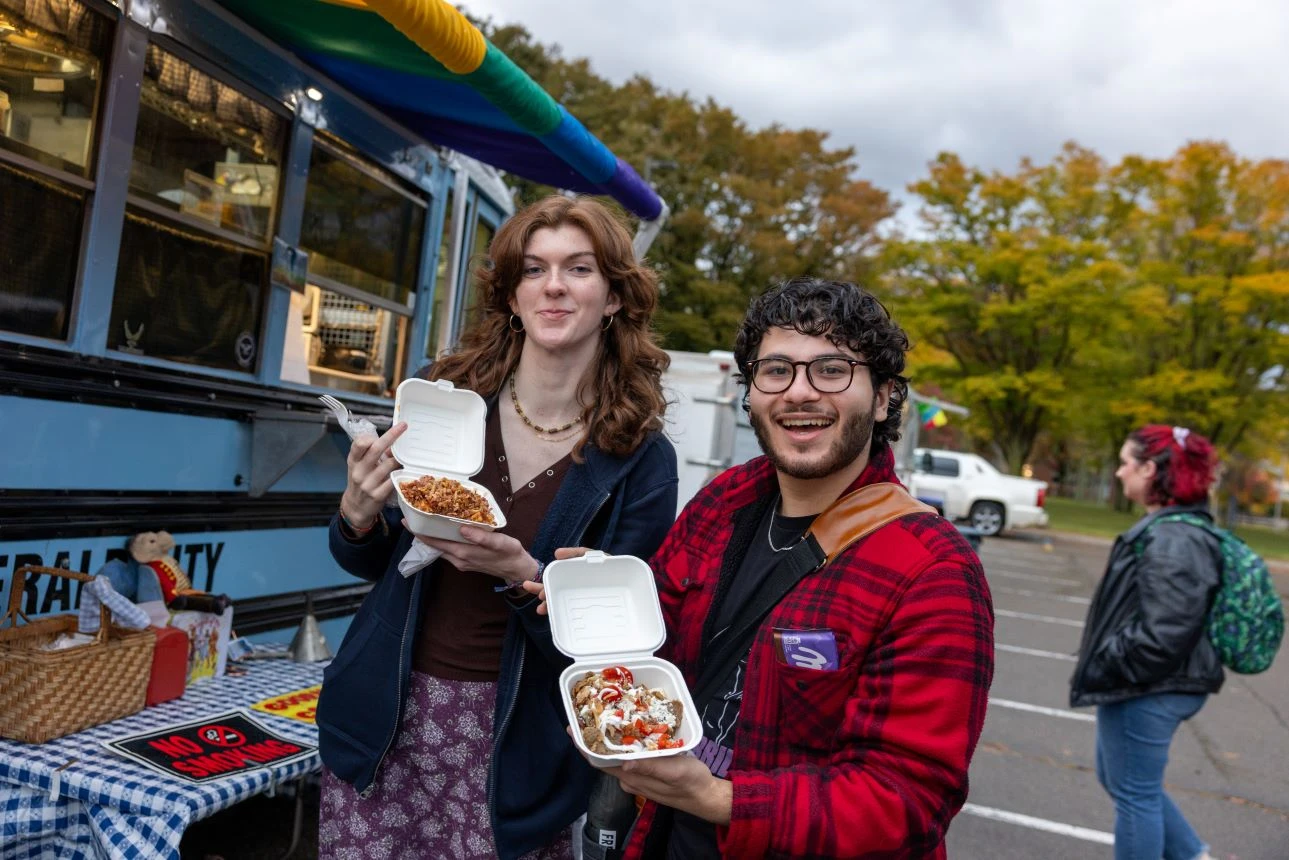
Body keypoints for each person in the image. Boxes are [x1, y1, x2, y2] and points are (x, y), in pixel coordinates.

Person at [531, 277, 995, 858]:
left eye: (831, 369)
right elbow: (660, 647)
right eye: (776, 370)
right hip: (659, 836)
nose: (799, 393)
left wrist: (716, 798)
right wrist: (601, 599)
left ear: (882, 397)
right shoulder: (725, 500)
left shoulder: (933, 572)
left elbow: (906, 801)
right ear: (751, 392)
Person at [315, 195, 679, 860]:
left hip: (517, 745)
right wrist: (357, 514)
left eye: (579, 268)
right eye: (533, 270)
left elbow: (619, 647)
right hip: (386, 717)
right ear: (511, 296)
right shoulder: (440, 397)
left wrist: (524, 578)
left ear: (615, 297)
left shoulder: (640, 458)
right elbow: (371, 563)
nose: (554, 287)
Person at [1070, 425, 1223, 860]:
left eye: (1125, 463)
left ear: (1150, 469)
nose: (1119, 473)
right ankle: (1192, 854)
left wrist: (1108, 658)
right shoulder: (1171, 528)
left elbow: (1165, 635)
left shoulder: (1174, 537)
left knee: (1135, 794)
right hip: (1152, 681)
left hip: (1152, 686)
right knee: (1121, 779)